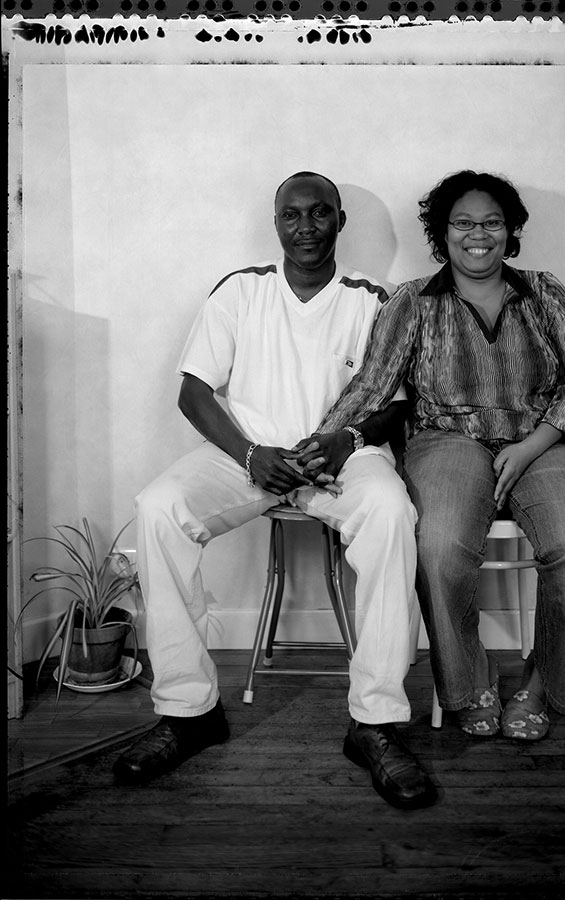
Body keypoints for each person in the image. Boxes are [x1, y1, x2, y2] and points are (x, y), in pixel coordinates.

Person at [112, 171, 437, 809]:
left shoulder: (374, 299)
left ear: (340, 220)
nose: (306, 227)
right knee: (159, 508)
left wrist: (346, 439)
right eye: (292, 215)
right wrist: (250, 455)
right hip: (249, 457)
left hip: (341, 458)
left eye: (320, 213)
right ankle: (188, 712)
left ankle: (374, 722)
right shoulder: (241, 290)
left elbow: (399, 403)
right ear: (276, 223)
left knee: (392, 512)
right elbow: (193, 392)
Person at [302, 170, 565, 741]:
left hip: (541, 437)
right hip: (446, 439)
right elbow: (372, 384)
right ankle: (471, 681)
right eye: (464, 223)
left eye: (492, 223)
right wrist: (320, 443)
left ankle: (542, 683)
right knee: (437, 546)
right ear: (443, 233)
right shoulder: (413, 302)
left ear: (510, 230)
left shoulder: (545, 293)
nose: (479, 235)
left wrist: (531, 447)